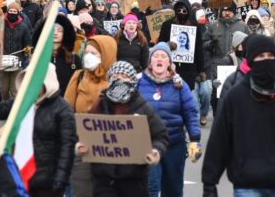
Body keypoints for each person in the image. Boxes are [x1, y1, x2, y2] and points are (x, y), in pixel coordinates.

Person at [202, 35, 275, 197]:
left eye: (270, 56)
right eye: (261, 56)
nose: (266, 60)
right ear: (250, 61)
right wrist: (209, 182)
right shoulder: (236, 97)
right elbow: (220, 139)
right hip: (247, 183)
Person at [76, 61, 169, 197]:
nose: (120, 79)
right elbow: (87, 134)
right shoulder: (100, 105)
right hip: (103, 181)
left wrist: (155, 151)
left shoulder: (143, 107)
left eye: (125, 77)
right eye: (116, 75)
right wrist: (81, 146)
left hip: (133, 182)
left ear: (132, 81)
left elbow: (161, 135)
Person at [0, 63, 76, 197]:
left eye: (35, 79)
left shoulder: (62, 109)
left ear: (47, 81)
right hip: (19, 177)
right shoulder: (21, 103)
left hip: (47, 184)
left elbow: (67, 146)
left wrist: (61, 180)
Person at [138, 42, 201, 197]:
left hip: (174, 145)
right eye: (156, 56)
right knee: (150, 188)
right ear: (150, 61)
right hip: (148, 145)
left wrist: (195, 140)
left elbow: (191, 113)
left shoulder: (179, 85)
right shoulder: (138, 83)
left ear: (169, 62)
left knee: (173, 189)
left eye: (164, 56)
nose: (159, 59)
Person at [64, 35, 117, 197]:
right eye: (86, 52)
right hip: (82, 147)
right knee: (81, 191)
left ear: (106, 54)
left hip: (110, 148)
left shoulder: (117, 80)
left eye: (94, 53)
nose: (88, 57)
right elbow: (67, 111)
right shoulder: (79, 76)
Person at [32, 15, 82, 96]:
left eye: (59, 30)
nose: (55, 33)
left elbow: (79, 84)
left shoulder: (74, 59)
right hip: (44, 102)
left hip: (66, 103)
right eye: (53, 30)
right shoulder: (39, 58)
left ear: (65, 34)